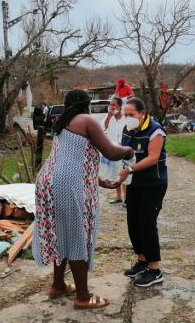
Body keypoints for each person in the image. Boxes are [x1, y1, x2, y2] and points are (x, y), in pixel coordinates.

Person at [33, 89, 134, 310]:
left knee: (61, 232)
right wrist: (128, 150)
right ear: (86, 104)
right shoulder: (86, 120)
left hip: (48, 182)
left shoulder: (62, 122)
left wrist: (96, 180)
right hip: (66, 185)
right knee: (76, 235)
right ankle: (83, 296)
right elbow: (111, 152)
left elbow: (71, 159)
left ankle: (58, 284)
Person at [118, 97, 168, 288]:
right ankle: (142, 262)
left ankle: (155, 269)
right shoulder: (127, 129)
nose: (128, 118)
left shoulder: (155, 130)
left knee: (147, 223)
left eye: (131, 115)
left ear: (142, 114)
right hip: (134, 184)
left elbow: (153, 158)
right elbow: (123, 152)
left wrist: (130, 170)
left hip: (153, 184)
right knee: (133, 222)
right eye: (126, 115)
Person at [100, 97, 127, 204]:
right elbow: (104, 128)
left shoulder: (125, 118)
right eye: (110, 105)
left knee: (123, 175)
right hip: (112, 150)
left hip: (123, 150)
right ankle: (118, 197)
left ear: (120, 107)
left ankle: (126, 199)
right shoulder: (108, 117)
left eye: (114, 105)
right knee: (115, 175)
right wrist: (109, 116)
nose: (111, 107)